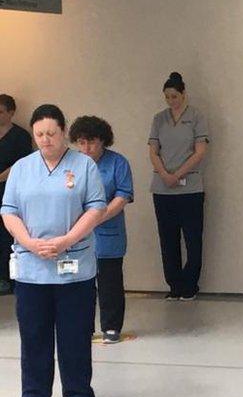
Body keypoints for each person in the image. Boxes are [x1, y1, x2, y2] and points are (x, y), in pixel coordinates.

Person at [1, 104, 106, 397]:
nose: (45, 140)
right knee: (34, 334)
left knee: (74, 334)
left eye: (52, 133)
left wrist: (66, 241)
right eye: (39, 134)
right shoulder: (22, 168)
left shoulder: (83, 165)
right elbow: (9, 210)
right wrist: (30, 243)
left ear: (64, 132)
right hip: (32, 267)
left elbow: (96, 208)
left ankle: (79, 396)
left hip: (73, 265)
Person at [70, 116, 134, 345]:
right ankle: (82, 327)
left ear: (103, 141)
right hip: (78, 235)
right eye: (81, 142)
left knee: (109, 283)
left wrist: (96, 218)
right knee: (80, 284)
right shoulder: (72, 164)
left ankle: (111, 326)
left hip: (109, 233)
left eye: (92, 142)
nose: (86, 148)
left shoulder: (118, 163)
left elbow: (122, 196)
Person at [148, 71, 208, 301]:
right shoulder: (159, 119)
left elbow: (200, 151)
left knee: (192, 238)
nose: (171, 101)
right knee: (168, 238)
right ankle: (174, 285)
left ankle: (190, 285)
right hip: (163, 188)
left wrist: (178, 174)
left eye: (174, 96)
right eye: (167, 97)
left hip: (190, 187)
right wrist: (164, 174)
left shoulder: (196, 117)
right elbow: (153, 151)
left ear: (183, 94)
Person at [0, 94, 34, 295]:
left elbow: (22, 164)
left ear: (11, 113)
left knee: (7, 234)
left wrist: (1, 177)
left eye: (1, 112)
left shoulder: (21, 136)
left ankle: (6, 278)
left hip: (9, 189)